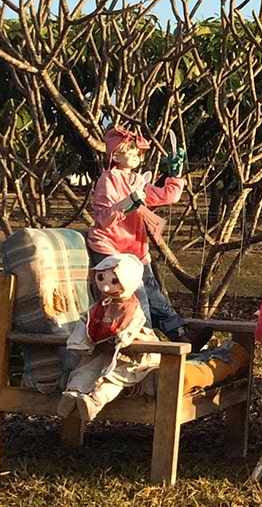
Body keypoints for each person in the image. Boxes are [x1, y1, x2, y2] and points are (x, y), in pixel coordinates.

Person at [85, 126, 196, 346]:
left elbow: (166, 196)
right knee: (139, 299)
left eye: (138, 152)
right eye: (131, 152)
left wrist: (175, 175)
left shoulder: (135, 181)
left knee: (155, 296)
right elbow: (103, 218)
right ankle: (145, 347)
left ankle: (182, 335)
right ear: (115, 156)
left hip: (135, 249)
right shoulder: (108, 179)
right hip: (111, 249)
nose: (136, 156)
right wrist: (126, 205)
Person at [58, 253, 162, 421]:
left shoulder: (131, 308)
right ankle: (72, 394)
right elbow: (86, 320)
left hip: (127, 356)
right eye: (100, 278)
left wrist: (122, 338)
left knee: (114, 377)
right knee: (85, 370)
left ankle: (94, 401)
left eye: (114, 281)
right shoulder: (98, 307)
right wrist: (79, 341)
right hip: (100, 351)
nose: (106, 288)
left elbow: (133, 324)